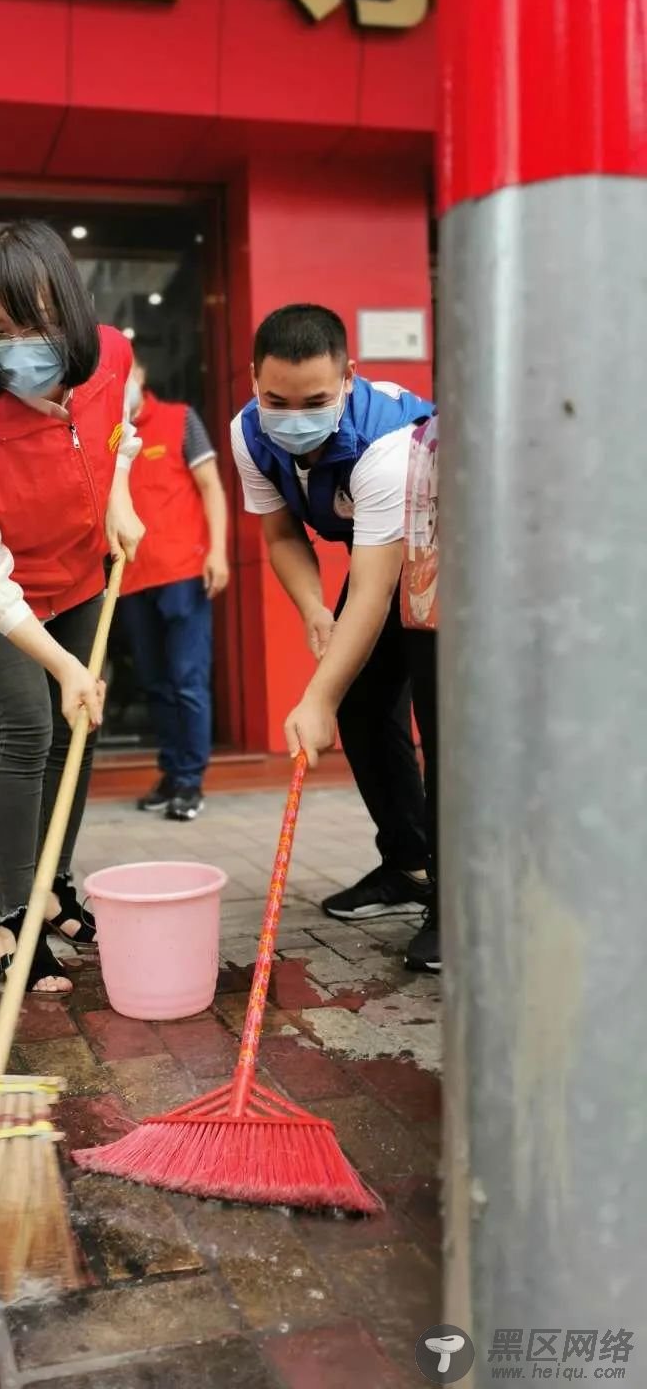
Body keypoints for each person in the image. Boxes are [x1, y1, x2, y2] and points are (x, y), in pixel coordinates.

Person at [0, 220, 144, 995]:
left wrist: (120, 495)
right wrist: (65, 665)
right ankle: (14, 913)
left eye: (37, 322)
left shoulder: (110, 354)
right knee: (28, 729)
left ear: (71, 314)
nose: (21, 346)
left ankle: (55, 885)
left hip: (78, 571)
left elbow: (124, 428)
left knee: (72, 732)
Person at [230, 303, 439, 971]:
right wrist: (313, 607)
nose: (294, 416)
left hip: (449, 546)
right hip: (381, 550)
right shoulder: (248, 433)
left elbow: (376, 591)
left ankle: (463, 903)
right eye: (276, 399)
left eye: (315, 400)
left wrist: (313, 697)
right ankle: (408, 865)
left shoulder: (389, 443)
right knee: (362, 705)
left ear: (349, 376)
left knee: (443, 716)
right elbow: (282, 533)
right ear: (254, 378)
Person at [118, 353, 229, 820]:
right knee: (156, 684)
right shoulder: (111, 437)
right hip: (132, 577)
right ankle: (170, 771)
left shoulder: (181, 420)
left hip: (183, 571)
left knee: (187, 680)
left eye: (125, 377)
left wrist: (218, 551)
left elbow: (211, 487)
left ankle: (190, 781)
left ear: (141, 376)